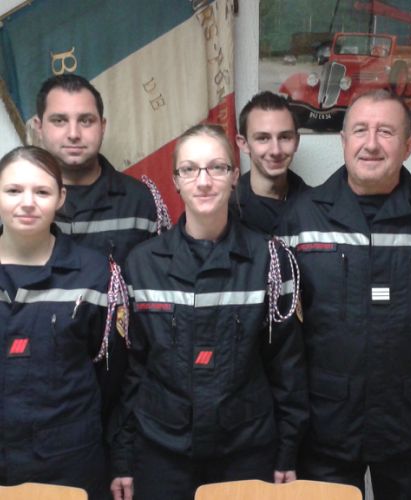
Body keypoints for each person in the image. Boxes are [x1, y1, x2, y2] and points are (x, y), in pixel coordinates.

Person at [280, 90, 411, 500]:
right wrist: (286, 439)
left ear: (408, 146)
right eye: (360, 130)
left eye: (386, 132)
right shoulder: (301, 217)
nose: (371, 143)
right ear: (344, 141)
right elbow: (281, 344)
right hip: (323, 430)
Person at [110, 124, 308, 500]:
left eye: (217, 167)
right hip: (161, 451)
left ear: (234, 175)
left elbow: (287, 368)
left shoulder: (271, 260)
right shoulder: (142, 264)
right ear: (176, 180)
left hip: (246, 451)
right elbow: (132, 371)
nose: (203, 181)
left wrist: (288, 451)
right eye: (189, 169)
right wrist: (123, 456)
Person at [0, 146, 124, 499]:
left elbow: (113, 374)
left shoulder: (96, 274)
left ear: (61, 198)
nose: (27, 203)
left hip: (69, 462)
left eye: (42, 191)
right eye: (13, 190)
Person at [34, 74, 169, 267]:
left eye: (86, 121)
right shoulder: (14, 202)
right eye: (59, 120)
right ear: (39, 127)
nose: (73, 134)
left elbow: (158, 278)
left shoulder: (140, 201)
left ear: (102, 126)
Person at [233, 91, 309, 234]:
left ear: (296, 142)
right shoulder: (225, 209)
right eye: (263, 138)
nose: (276, 151)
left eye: (284, 137)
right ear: (244, 144)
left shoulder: (317, 206)